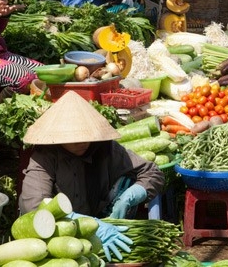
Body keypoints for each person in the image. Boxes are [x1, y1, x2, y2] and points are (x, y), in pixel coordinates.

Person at [19, 91, 165, 261]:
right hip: (55, 230)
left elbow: (152, 173)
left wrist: (130, 196)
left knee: (129, 180)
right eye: (74, 138)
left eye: (86, 136)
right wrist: (85, 223)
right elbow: (35, 207)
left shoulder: (105, 148)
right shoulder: (44, 156)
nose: (81, 142)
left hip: (97, 217)